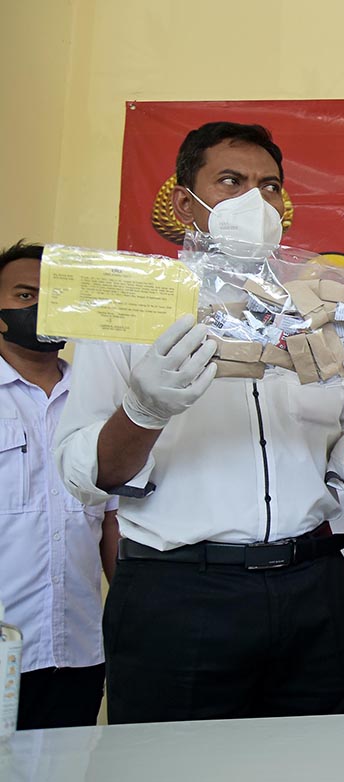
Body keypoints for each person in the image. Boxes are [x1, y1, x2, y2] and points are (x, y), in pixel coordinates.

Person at [54, 121, 344, 723]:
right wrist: (143, 412)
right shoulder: (130, 310)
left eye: (269, 186)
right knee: (173, 762)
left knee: (320, 760)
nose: (254, 201)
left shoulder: (317, 312)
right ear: (184, 201)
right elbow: (85, 475)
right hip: (179, 592)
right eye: (230, 181)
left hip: (313, 587)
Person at [0, 241, 118, 729]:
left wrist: (133, 617)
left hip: (78, 646)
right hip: (6, 644)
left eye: (55, 297)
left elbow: (112, 521)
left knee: (70, 763)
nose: (42, 308)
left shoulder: (101, 402)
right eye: (25, 295)